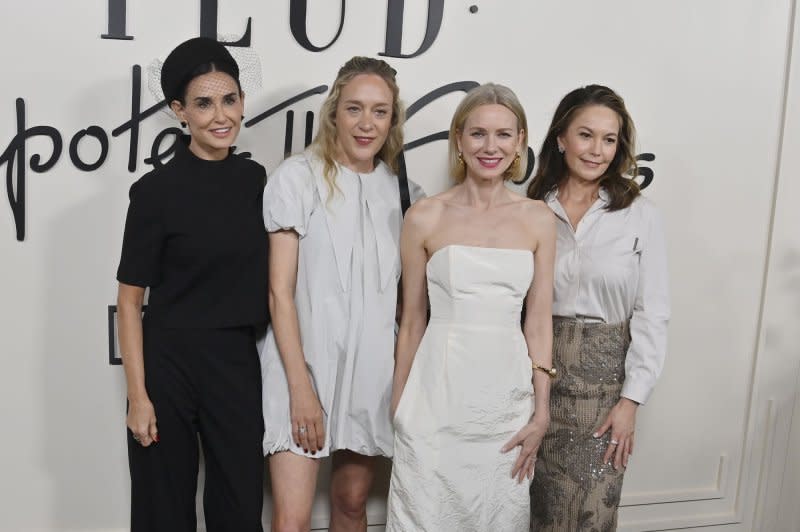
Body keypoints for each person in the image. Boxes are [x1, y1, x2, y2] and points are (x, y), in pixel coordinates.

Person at [259, 56, 424, 532]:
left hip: (371, 371)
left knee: (352, 504)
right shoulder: (296, 177)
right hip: (302, 364)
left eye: (379, 110)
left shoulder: (405, 193)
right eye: (354, 108)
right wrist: (300, 389)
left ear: (393, 119)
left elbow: (405, 305)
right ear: (334, 112)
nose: (366, 123)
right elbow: (279, 293)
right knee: (291, 519)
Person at [386, 83, 556, 531]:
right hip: (434, 400)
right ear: (459, 139)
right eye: (478, 133)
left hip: (506, 404)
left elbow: (538, 323)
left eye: (504, 135)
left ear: (520, 142)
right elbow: (411, 321)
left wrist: (541, 411)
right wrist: (399, 407)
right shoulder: (424, 216)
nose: (490, 146)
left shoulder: (538, 218)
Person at [116, 37, 268, 532]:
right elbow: (130, 299)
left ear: (243, 101)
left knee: (239, 506)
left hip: (237, 362)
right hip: (168, 365)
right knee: (163, 508)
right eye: (203, 103)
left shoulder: (257, 182)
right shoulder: (153, 193)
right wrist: (139, 397)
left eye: (230, 99)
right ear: (179, 111)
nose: (221, 115)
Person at [527, 84, 670, 530]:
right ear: (561, 138)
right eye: (586, 135)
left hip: (604, 392)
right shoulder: (531, 209)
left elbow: (653, 312)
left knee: (591, 515)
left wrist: (631, 400)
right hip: (534, 381)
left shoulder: (640, 214)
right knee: (537, 512)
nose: (597, 150)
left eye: (610, 140)